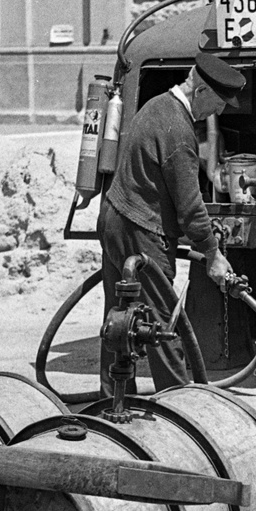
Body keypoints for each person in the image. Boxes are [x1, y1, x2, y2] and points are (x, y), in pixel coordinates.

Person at [100, 50, 243, 391]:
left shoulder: (156, 105)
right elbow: (190, 206)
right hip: (142, 230)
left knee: (119, 321)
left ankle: (113, 400)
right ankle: (179, 403)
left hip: (114, 218)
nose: (219, 112)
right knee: (161, 324)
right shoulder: (179, 130)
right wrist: (212, 253)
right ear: (201, 91)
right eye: (218, 103)